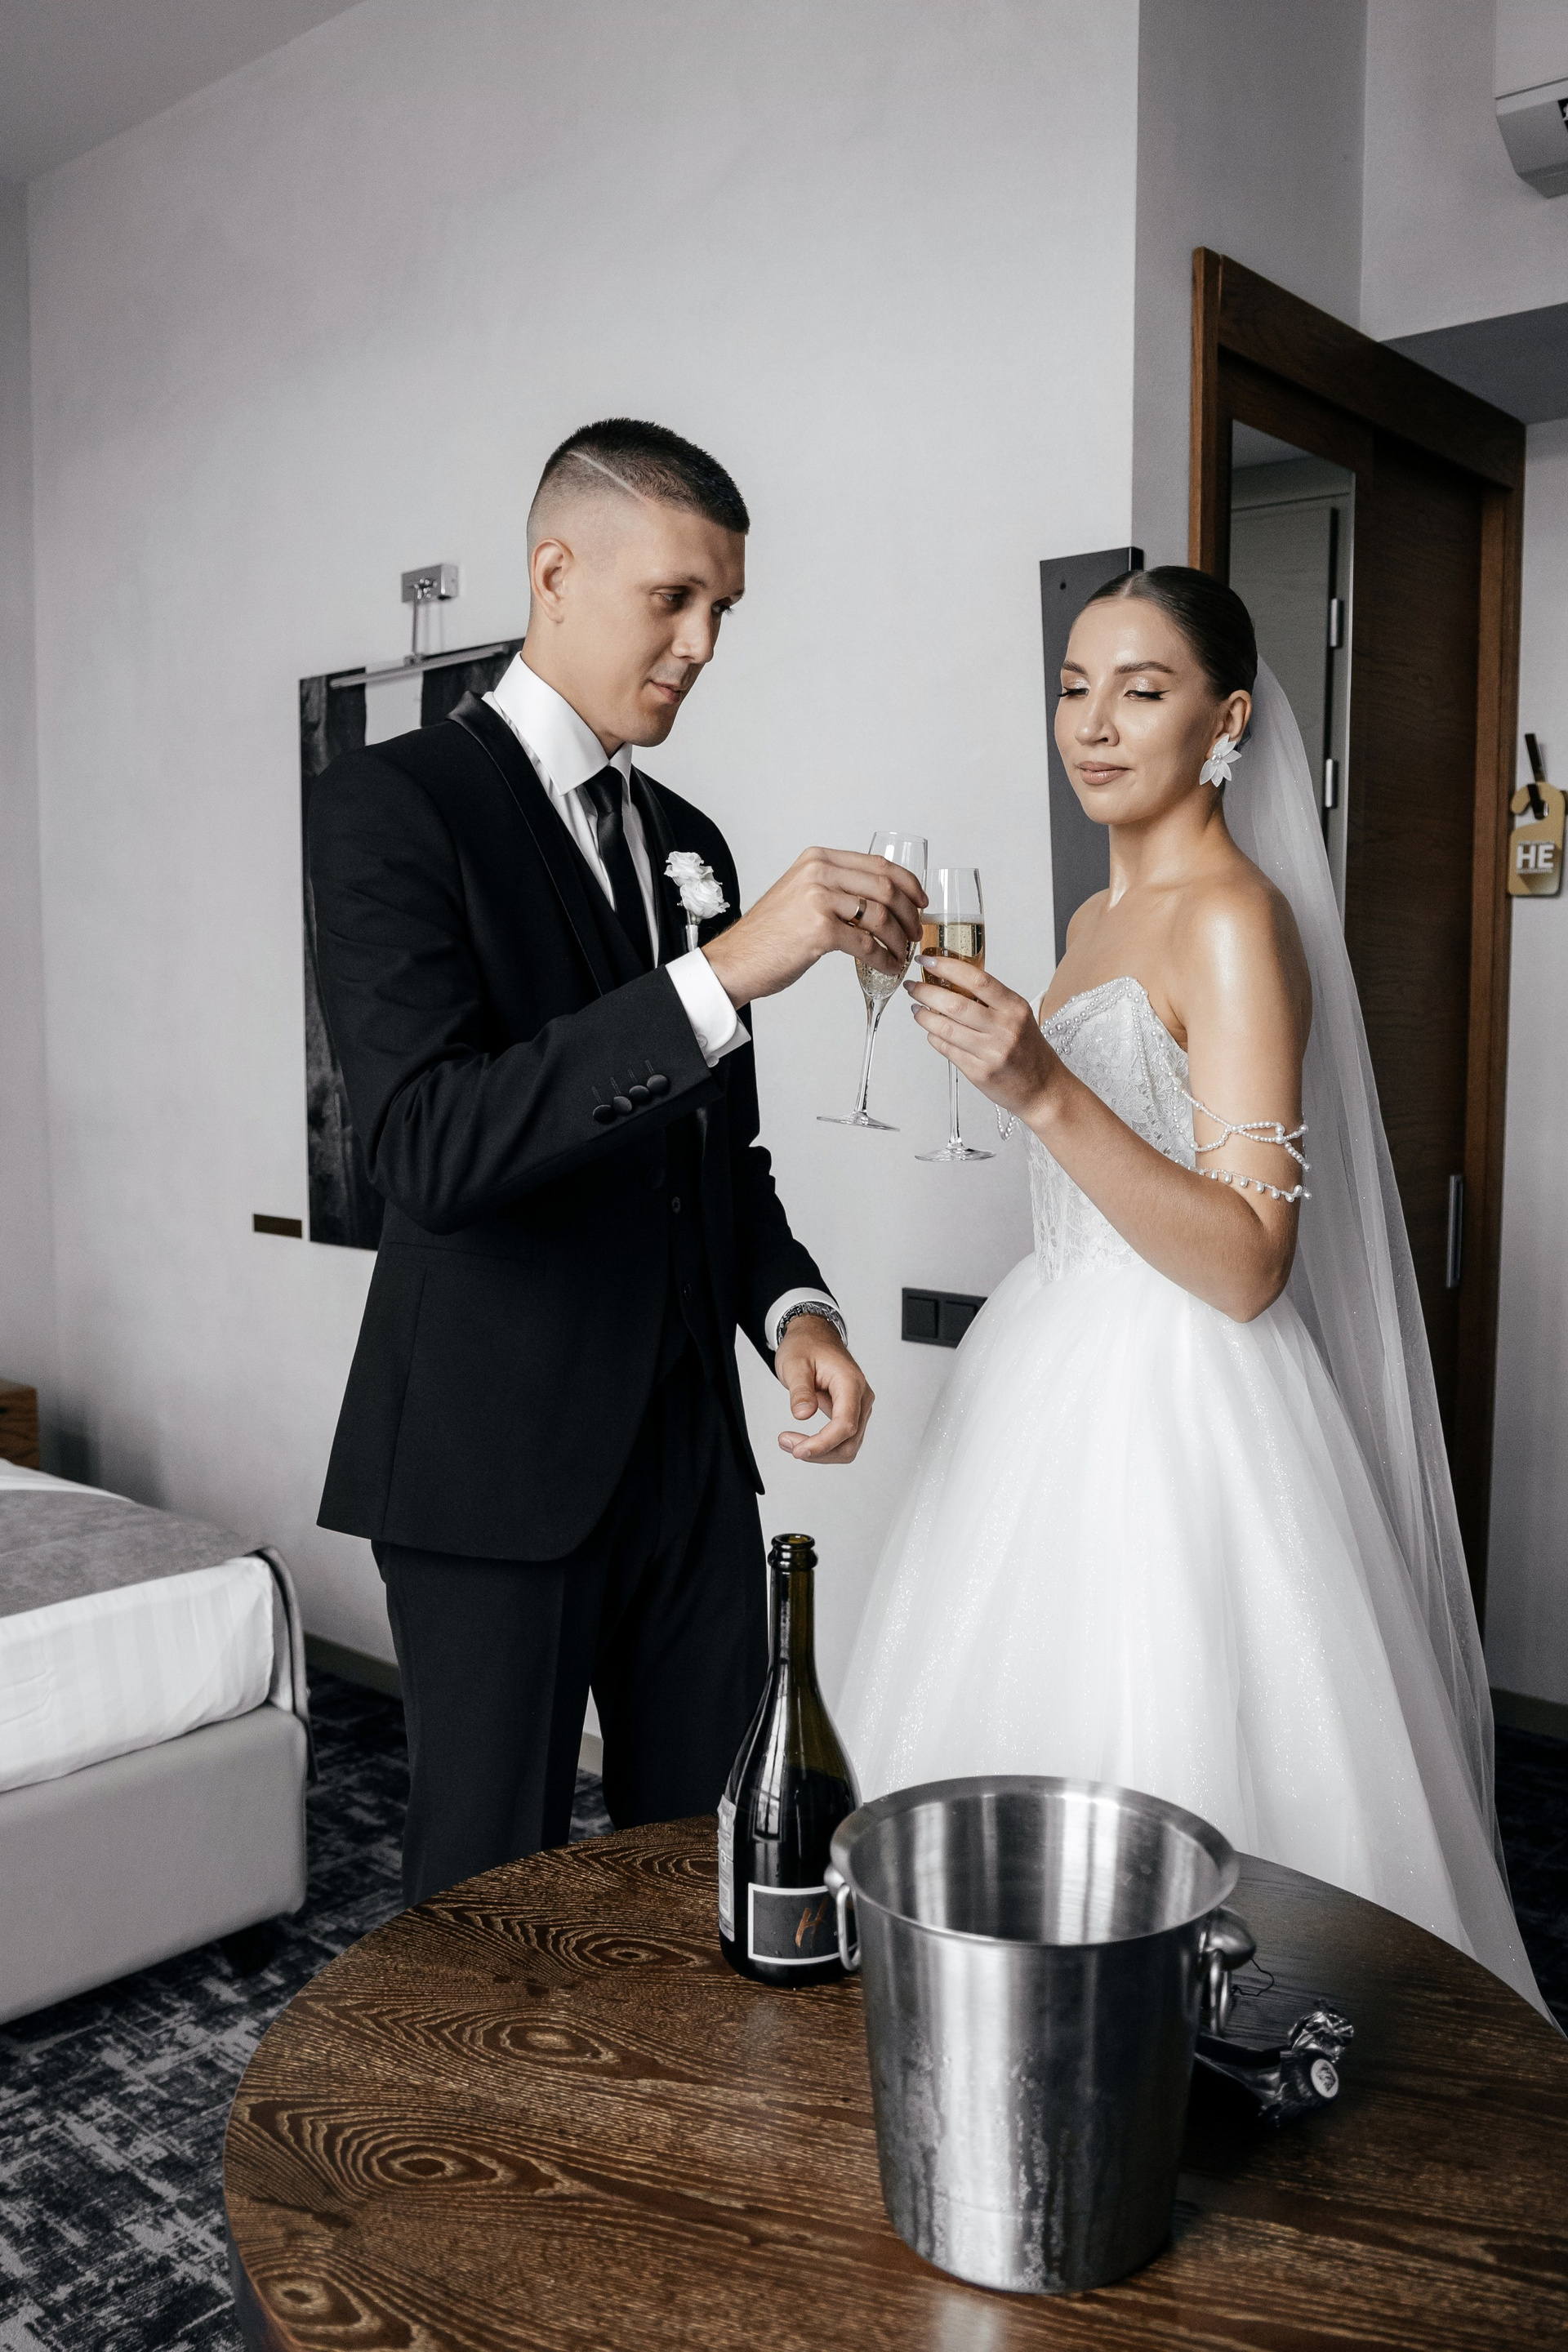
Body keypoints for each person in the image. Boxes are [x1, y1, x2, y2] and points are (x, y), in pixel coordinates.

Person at [839, 565, 1548, 2018]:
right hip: (1047, 1362)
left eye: (1141, 690)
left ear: (1226, 721)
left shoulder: (1233, 917)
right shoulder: (1092, 920)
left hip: (1181, 1398)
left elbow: (1246, 1262)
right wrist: (1003, 1067)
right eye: (1072, 688)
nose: (1092, 724)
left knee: (1187, 1808)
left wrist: (1040, 1086)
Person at [309, 417, 924, 1905]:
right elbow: (427, 1147)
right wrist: (726, 972)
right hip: (489, 1458)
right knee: (491, 1901)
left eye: (723, 610)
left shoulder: (691, 837)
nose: (702, 644)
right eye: (674, 599)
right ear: (555, 574)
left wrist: (791, 1311)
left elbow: (717, 1146)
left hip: (689, 1461)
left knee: (701, 1873)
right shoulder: (395, 806)